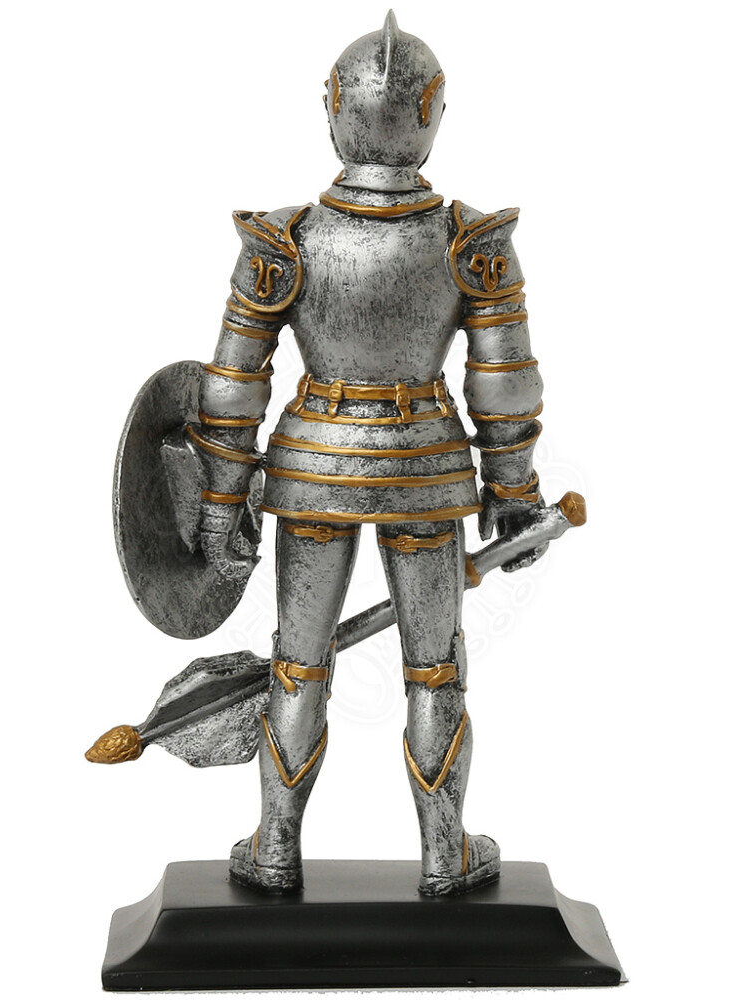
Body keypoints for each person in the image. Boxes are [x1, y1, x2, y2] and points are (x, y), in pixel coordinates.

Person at [192, 12, 545, 896]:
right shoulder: (470, 242)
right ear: (432, 110)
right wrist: (513, 492)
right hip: (426, 474)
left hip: (312, 468)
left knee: (297, 664)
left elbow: (233, 386)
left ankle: (275, 848)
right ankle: (443, 853)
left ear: (332, 108)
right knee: (435, 670)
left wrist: (223, 500)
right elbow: (503, 386)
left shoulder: (285, 239)